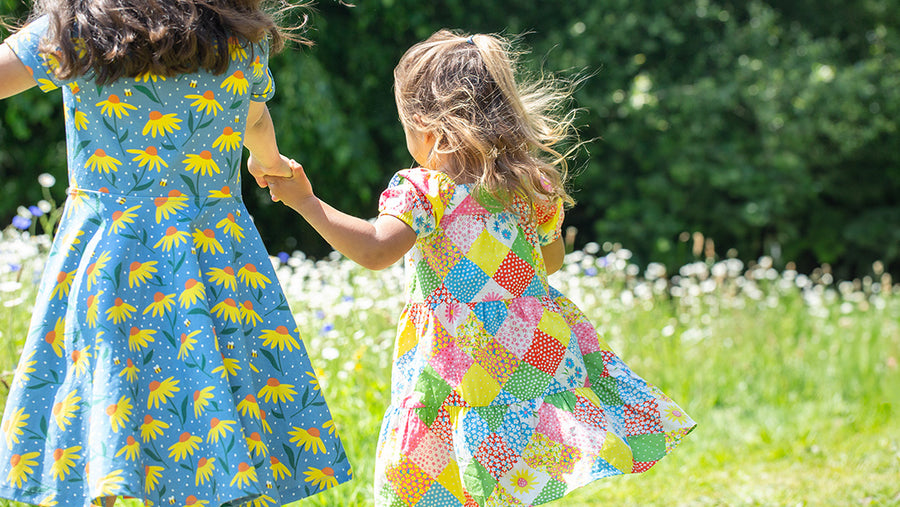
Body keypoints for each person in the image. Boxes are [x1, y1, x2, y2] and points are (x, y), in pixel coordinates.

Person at [266, 29, 695, 506]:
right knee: (510, 479)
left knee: (450, 471)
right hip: (532, 351)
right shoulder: (531, 182)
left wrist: (305, 201)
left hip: (459, 358)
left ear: (428, 127)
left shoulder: (427, 189)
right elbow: (549, 261)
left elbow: (375, 251)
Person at [0, 2, 351, 506]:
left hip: (113, 258)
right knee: (211, 415)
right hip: (214, 260)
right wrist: (269, 162)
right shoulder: (238, 40)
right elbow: (256, 118)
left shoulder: (73, 33)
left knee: (112, 410)